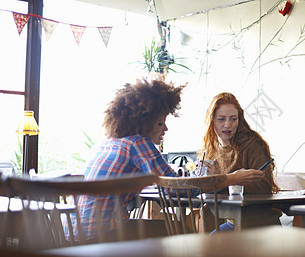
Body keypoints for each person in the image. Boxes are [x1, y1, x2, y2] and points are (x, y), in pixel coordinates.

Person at [69, 77, 265, 241]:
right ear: (144, 123)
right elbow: (177, 186)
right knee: (181, 232)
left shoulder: (108, 143)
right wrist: (233, 178)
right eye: (160, 123)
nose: (166, 129)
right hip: (103, 234)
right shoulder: (138, 143)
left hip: (74, 233)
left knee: (170, 229)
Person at [199, 92, 280, 232]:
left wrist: (223, 181)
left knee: (207, 250)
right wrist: (216, 180)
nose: (228, 125)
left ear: (239, 120)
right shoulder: (211, 148)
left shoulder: (252, 144)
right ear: (211, 120)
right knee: (203, 249)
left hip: (261, 224)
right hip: (233, 224)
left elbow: (264, 188)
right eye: (221, 119)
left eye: (233, 119)